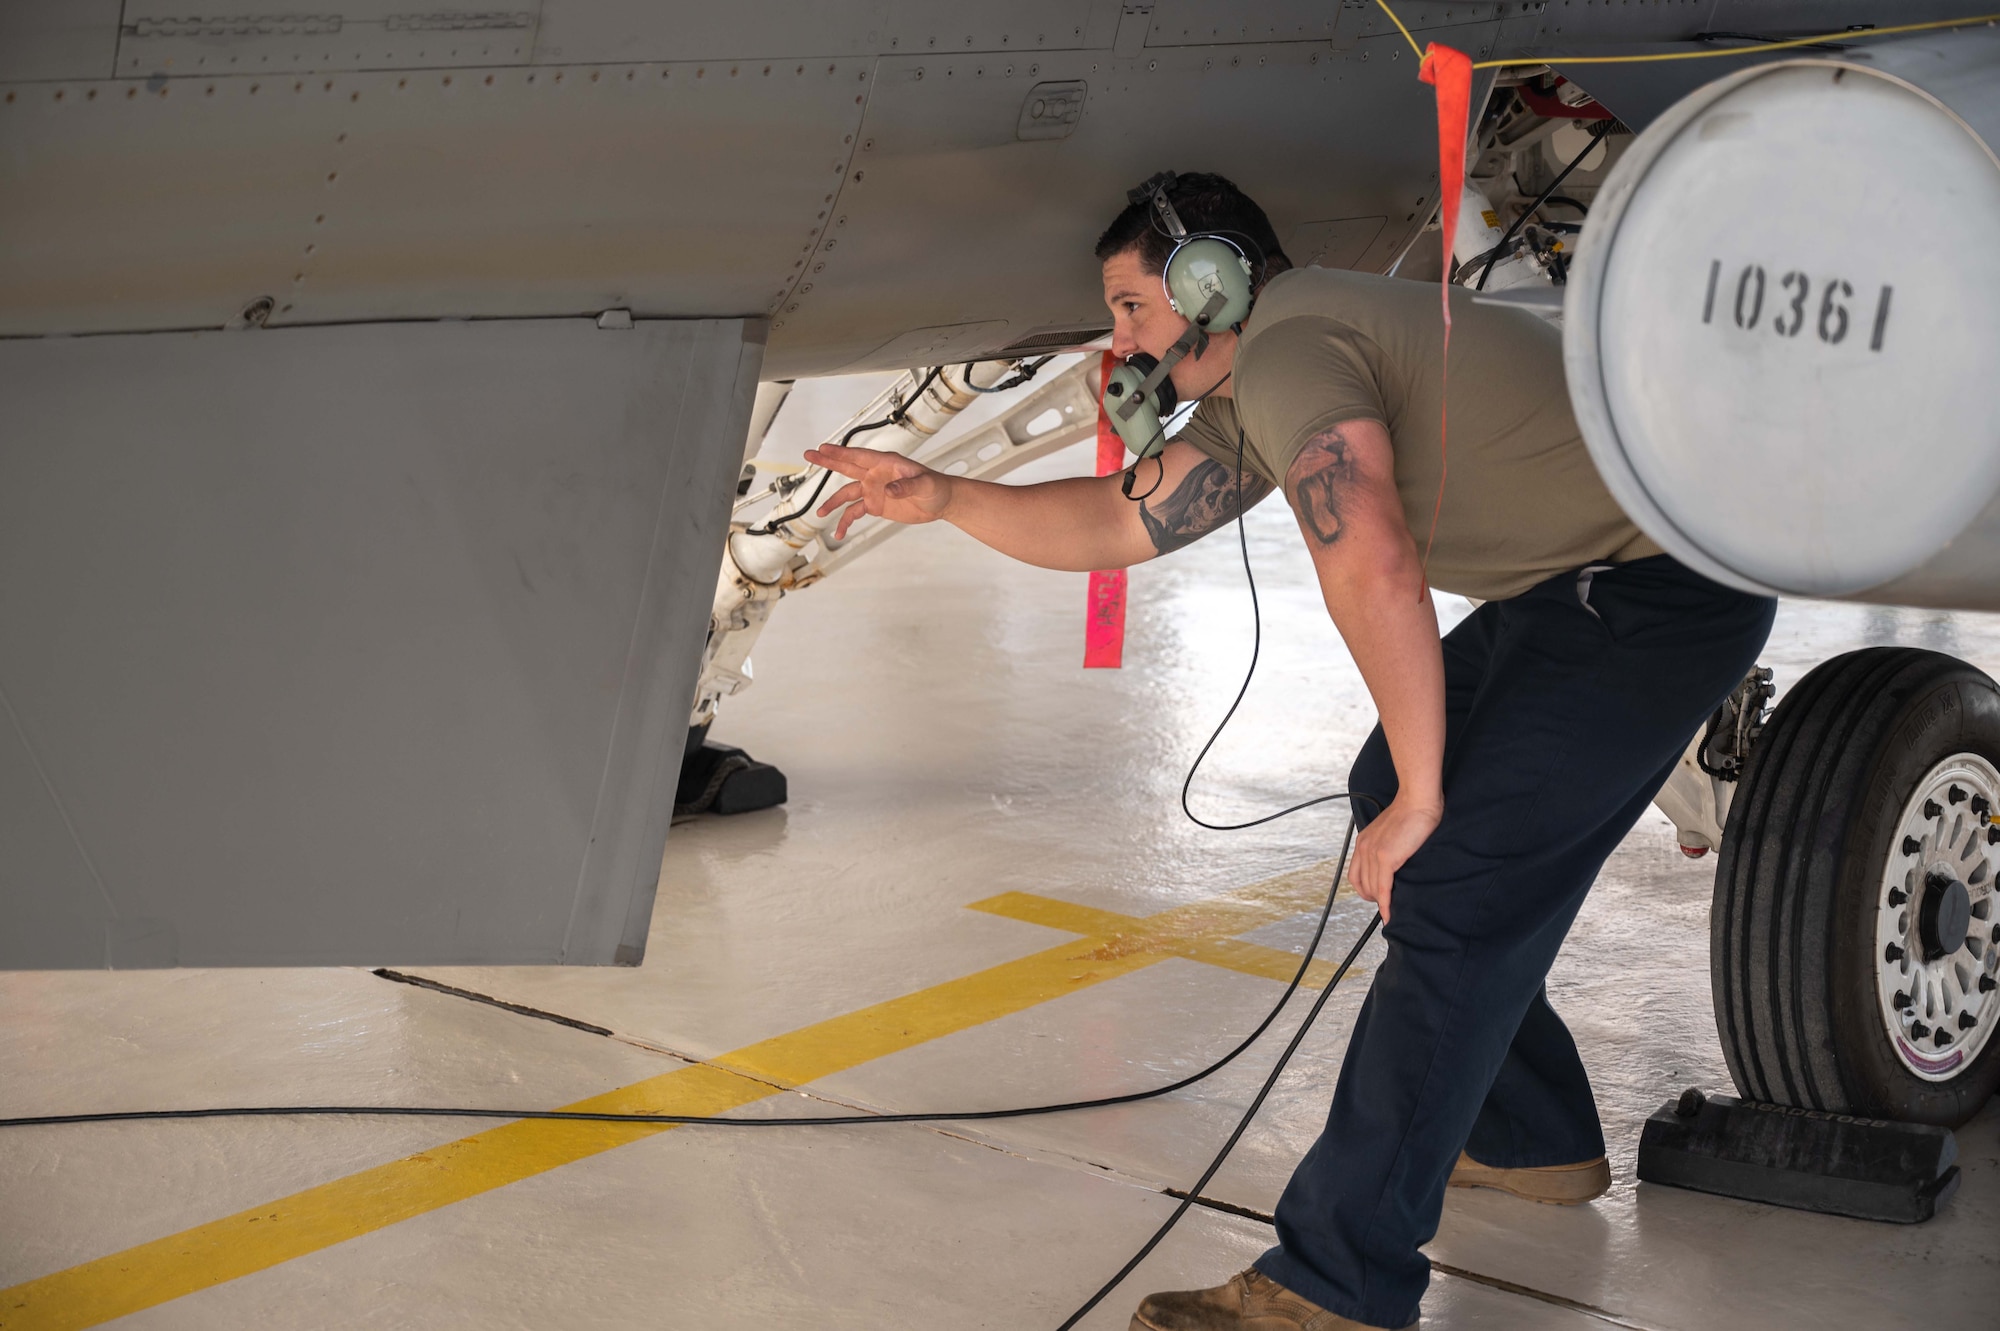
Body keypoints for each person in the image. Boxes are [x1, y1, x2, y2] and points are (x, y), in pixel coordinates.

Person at [803, 173, 1774, 1331]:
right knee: (1391, 793)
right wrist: (949, 494)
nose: (1114, 341)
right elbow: (1121, 520)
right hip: (1576, 582)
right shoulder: (1263, 379)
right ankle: (1526, 1137)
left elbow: (1364, 549)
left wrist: (1426, 793)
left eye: (1127, 309)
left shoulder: (1295, 343)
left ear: (1208, 282)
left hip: (1663, 588)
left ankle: (1335, 1283)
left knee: (1448, 863)